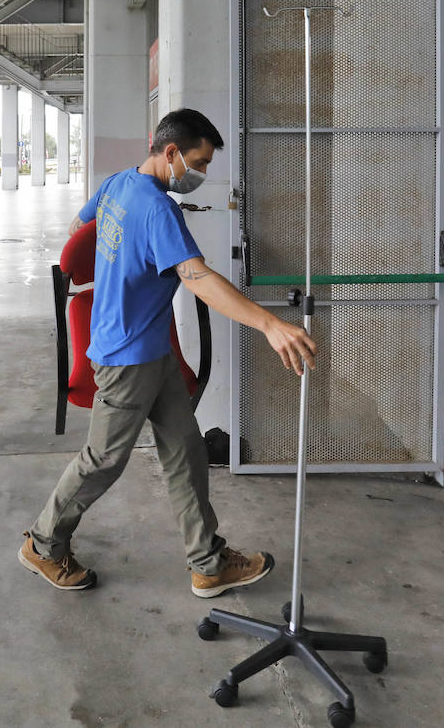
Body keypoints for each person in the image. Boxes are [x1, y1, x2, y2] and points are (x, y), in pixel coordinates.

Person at [19, 109, 318, 597]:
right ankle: (44, 543)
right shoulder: (158, 208)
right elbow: (196, 277)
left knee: (186, 453)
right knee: (103, 460)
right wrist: (268, 323)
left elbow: (79, 228)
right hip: (124, 357)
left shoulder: (117, 184)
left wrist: (119, 274)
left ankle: (208, 563)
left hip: (153, 351)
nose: (200, 174)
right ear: (172, 152)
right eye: (199, 162)